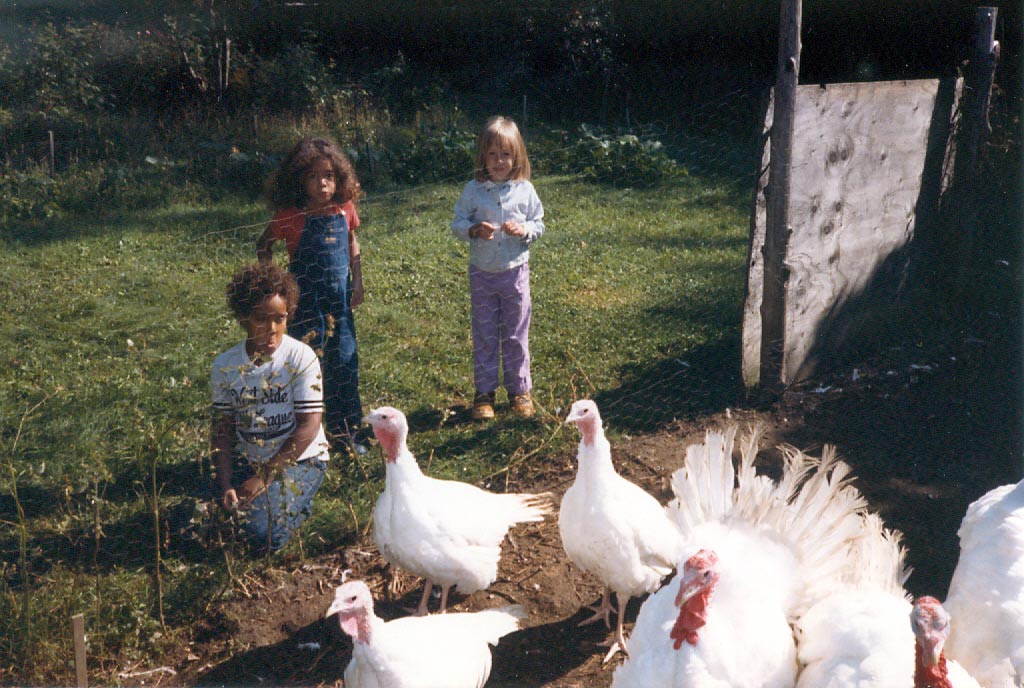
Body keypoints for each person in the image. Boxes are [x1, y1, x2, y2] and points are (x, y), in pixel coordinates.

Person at [210, 263, 330, 552]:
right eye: (261, 320)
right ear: (243, 318)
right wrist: (225, 482)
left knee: (260, 534)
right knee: (198, 518)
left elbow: (308, 427)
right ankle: (266, 501)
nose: (272, 329)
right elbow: (222, 430)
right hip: (250, 457)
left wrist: (261, 480)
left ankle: (299, 505)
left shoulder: (301, 358)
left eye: (280, 318)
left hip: (300, 459)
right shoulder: (226, 365)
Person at [256, 137, 366, 453]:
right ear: (299, 179)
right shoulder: (289, 216)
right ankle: (304, 438)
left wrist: (357, 282)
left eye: (329, 176)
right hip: (305, 308)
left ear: (339, 178)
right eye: (313, 177)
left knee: (345, 364)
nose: (322, 184)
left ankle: (348, 434)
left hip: (340, 305)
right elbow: (264, 245)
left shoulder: (345, 209)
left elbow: (352, 243)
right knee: (306, 369)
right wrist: (275, 288)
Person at [451, 116, 545, 420]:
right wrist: (473, 230)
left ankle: (519, 391)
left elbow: (539, 223)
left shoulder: (525, 190)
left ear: (516, 156)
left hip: (515, 273)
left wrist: (524, 229)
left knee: (516, 333)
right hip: (482, 273)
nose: (499, 161)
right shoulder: (473, 190)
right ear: (483, 157)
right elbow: (457, 223)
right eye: (492, 154)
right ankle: (484, 393)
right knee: (485, 332)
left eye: (506, 154)